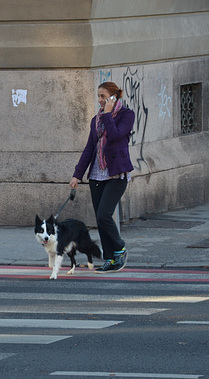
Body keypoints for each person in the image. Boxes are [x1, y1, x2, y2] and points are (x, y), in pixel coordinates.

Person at [69, 82, 135, 273]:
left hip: (117, 173)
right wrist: (77, 175)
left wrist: (107, 113)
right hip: (97, 175)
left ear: (113, 98)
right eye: (98, 96)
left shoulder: (126, 116)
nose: (99, 100)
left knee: (104, 215)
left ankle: (120, 249)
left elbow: (115, 135)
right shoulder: (95, 120)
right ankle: (110, 259)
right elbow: (89, 148)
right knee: (100, 220)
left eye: (103, 96)